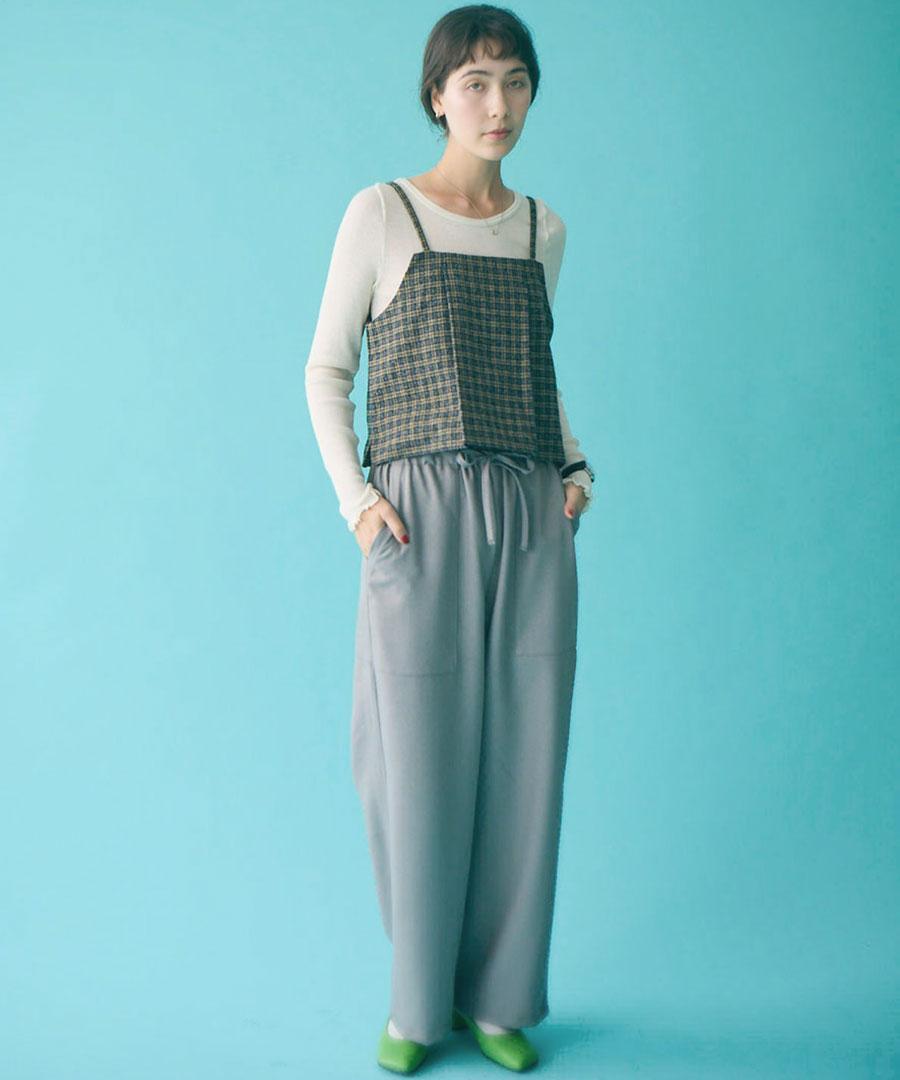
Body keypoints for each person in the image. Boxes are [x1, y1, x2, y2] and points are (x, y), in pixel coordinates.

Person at [305, 5, 596, 1072]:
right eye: (475, 81)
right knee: (412, 763)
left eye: (515, 80)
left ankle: (502, 999)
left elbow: (534, 367)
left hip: (531, 509)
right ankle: (419, 1002)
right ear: (437, 95)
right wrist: (358, 503)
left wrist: (575, 470)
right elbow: (326, 370)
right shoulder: (382, 213)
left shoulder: (542, 229)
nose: (497, 103)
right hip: (417, 516)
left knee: (526, 758)